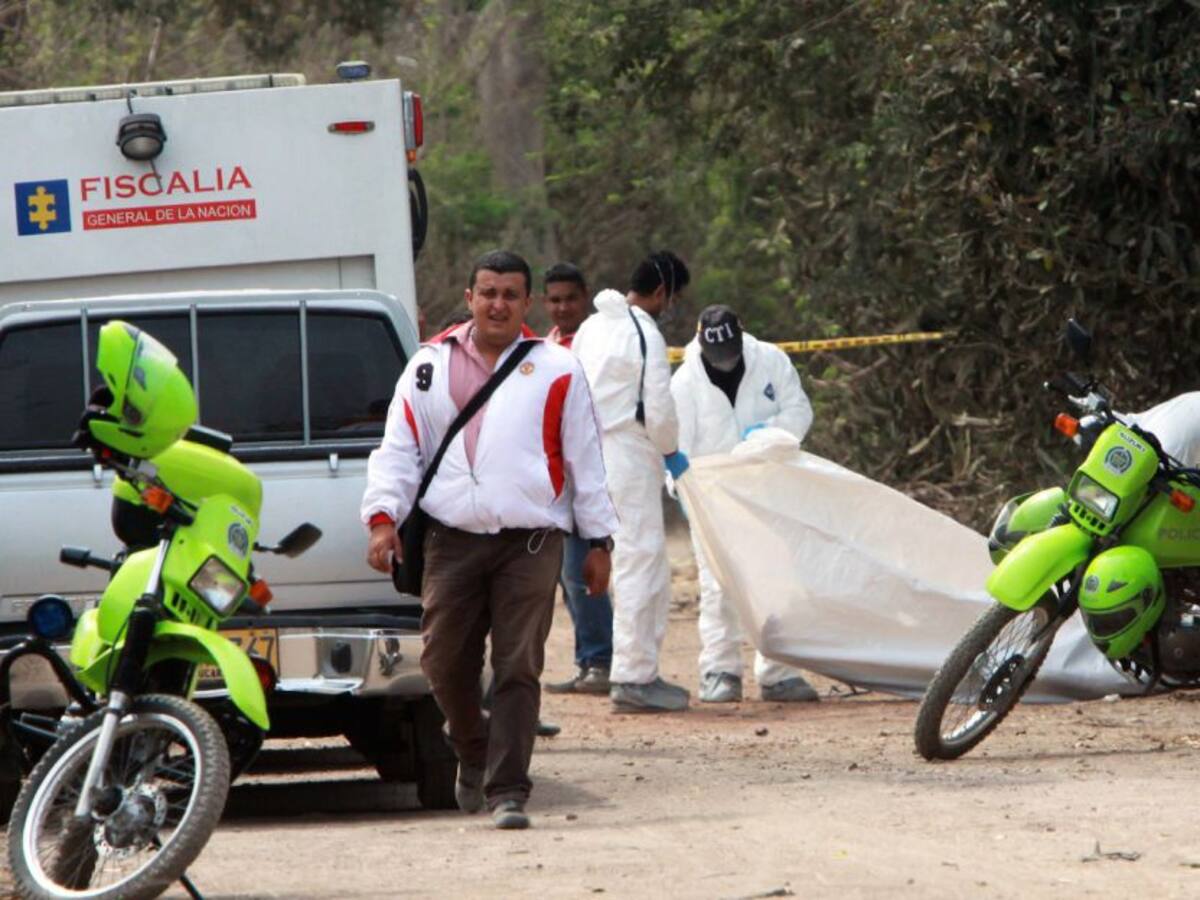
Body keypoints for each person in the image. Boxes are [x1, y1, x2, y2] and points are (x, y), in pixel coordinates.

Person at [361, 250, 617, 830]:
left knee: (517, 665)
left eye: (509, 295)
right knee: (442, 662)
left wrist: (599, 541)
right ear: (470, 298)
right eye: (488, 293)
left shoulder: (557, 368)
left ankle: (508, 791)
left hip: (531, 542)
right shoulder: (428, 365)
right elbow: (399, 448)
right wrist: (382, 517)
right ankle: (471, 746)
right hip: (451, 540)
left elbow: (585, 458)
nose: (497, 304)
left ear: (527, 304)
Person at [670, 305, 820, 703]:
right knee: (718, 587)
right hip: (714, 499)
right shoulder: (684, 382)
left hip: (770, 492)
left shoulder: (771, 360)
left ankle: (779, 672)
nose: (725, 362)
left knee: (778, 580)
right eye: (717, 356)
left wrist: (766, 434)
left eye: (731, 354)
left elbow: (799, 411)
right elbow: (675, 445)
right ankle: (719, 670)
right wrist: (682, 490)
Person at [571, 250, 692, 713]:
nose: (671, 306)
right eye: (673, 297)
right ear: (662, 292)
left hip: (589, 454)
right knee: (641, 563)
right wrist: (671, 450)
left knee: (617, 559)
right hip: (628, 454)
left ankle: (629, 670)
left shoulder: (592, 326)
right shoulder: (646, 333)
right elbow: (658, 408)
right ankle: (635, 677)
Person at [541, 262, 616, 695]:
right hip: (556, 481)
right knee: (567, 578)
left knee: (581, 572)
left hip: (588, 477)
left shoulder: (595, 344)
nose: (562, 307)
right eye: (555, 300)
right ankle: (590, 658)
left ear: (584, 297)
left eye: (570, 298)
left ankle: (601, 660)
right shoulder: (546, 346)